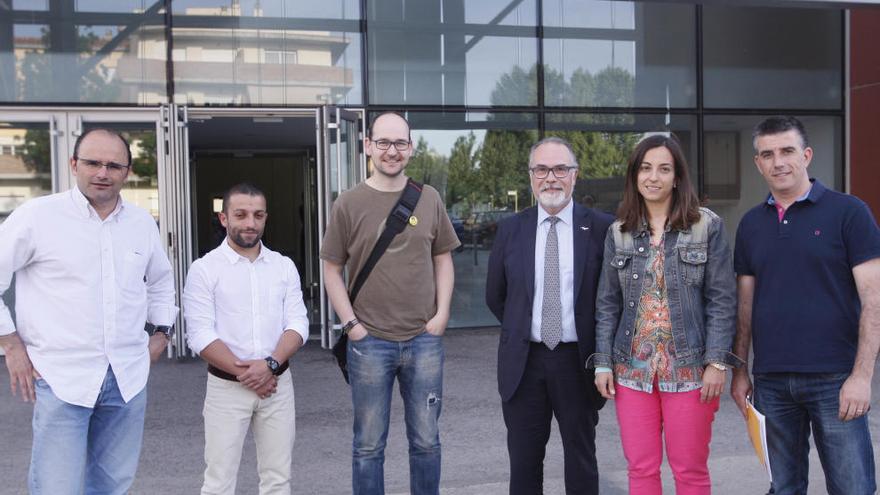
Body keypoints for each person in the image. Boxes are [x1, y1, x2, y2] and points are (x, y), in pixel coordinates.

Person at [0, 128, 178, 494]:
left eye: (114, 165)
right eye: (93, 163)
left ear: (127, 172)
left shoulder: (141, 223)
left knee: (112, 487)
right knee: (56, 487)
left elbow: (161, 281)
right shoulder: (37, 217)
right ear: (73, 164)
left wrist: (162, 334)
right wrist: (11, 344)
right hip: (61, 376)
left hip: (127, 378)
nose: (102, 172)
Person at [730, 116, 880, 495]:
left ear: (807, 155)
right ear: (757, 163)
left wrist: (862, 377)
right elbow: (744, 306)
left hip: (836, 381)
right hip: (772, 382)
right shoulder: (750, 225)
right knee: (783, 489)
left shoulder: (850, 213)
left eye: (787, 151)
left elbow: (874, 301)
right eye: (768, 154)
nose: (778, 162)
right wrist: (740, 371)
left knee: (852, 488)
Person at [321, 112, 459, 495]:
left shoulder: (428, 199)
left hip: (424, 339)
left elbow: (443, 259)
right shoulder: (347, 204)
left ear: (411, 149)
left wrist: (442, 314)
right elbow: (332, 270)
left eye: (400, 143)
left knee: (427, 443)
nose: (391, 151)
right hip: (369, 343)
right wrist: (352, 326)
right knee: (368, 446)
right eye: (383, 142)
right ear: (368, 146)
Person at [592, 134, 738, 494]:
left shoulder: (706, 226)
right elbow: (607, 303)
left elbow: (722, 300)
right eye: (645, 168)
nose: (653, 177)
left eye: (663, 168)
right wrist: (603, 363)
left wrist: (717, 363)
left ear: (677, 176)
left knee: (689, 471)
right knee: (640, 470)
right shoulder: (619, 232)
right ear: (634, 175)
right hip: (632, 373)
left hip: (691, 373)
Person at [485, 136, 612, 494]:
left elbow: (610, 297)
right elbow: (497, 296)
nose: (551, 177)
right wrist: (525, 325)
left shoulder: (602, 228)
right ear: (531, 176)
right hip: (525, 362)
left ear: (575, 175)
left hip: (578, 361)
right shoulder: (512, 229)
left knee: (581, 458)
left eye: (560, 169)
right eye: (542, 169)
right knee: (524, 462)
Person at [183, 183, 309, 495]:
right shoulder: (204, 270)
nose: (250, 223)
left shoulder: (283, 266)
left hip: (278, 385)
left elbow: (298, 324)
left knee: (277, 480)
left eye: (257, 215)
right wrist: (249, 374)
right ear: (224, 218)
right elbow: (200, 335)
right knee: (219, 482)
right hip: (226, 389)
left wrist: (269, 365)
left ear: (265, 218)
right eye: (240, 215)